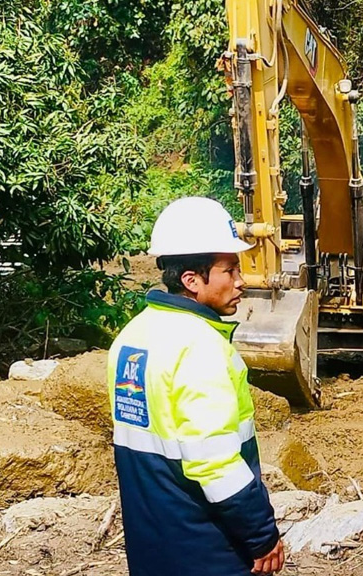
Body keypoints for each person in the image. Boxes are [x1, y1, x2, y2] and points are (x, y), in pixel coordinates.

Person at [107, 197, 285, 576]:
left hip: (152, 543)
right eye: (230, 270)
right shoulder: (200, 346)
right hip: (207, 546)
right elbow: (215, 462)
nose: (240, 281)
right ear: (192, 280)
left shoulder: (131, 336)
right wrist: (261, 535)